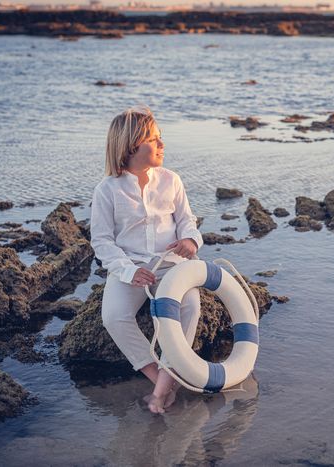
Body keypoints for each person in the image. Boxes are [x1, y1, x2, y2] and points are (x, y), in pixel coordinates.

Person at [90, 106, 204, 414]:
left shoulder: (171, 180)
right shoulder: (106, 190)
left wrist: (191, 241)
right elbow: (101, 241)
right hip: (131, 267)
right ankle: (161, 381)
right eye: (154, 140)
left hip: (171, 266)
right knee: (114, 317)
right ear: (130, 147)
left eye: (160, 138)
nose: (162, 145)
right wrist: (128, 270)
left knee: (190, 307)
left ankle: (160, 391)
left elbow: (187, 221)